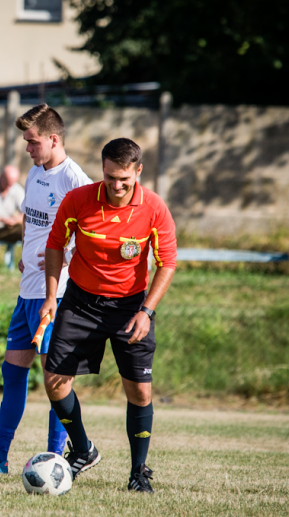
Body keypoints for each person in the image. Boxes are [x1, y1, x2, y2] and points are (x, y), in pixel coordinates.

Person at [0, 104, 92, 475]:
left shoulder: (76, 180)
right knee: (12, 373)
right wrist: (28, 257)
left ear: (53, 139)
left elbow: (89, 239)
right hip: (27, 292)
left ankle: (57, 459)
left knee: (55, 381)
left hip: (58, 295)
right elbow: (36, 229)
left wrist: (61, 261)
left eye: (32, 142)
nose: (27, 148)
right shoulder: (34, 174)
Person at [40, 138, 177, 493]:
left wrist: (147, 310)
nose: (117, 186)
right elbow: (55, 244)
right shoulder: (79, 200)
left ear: (138, 172)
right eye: (111, 177)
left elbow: (167, 263)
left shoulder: (154, 209)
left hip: (130, 308)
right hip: (81, 302)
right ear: (102, 169)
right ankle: (83, 449)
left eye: (125, 180)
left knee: (140, 392)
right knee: (54, 382)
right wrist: (51, 296)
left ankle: (138, 471)